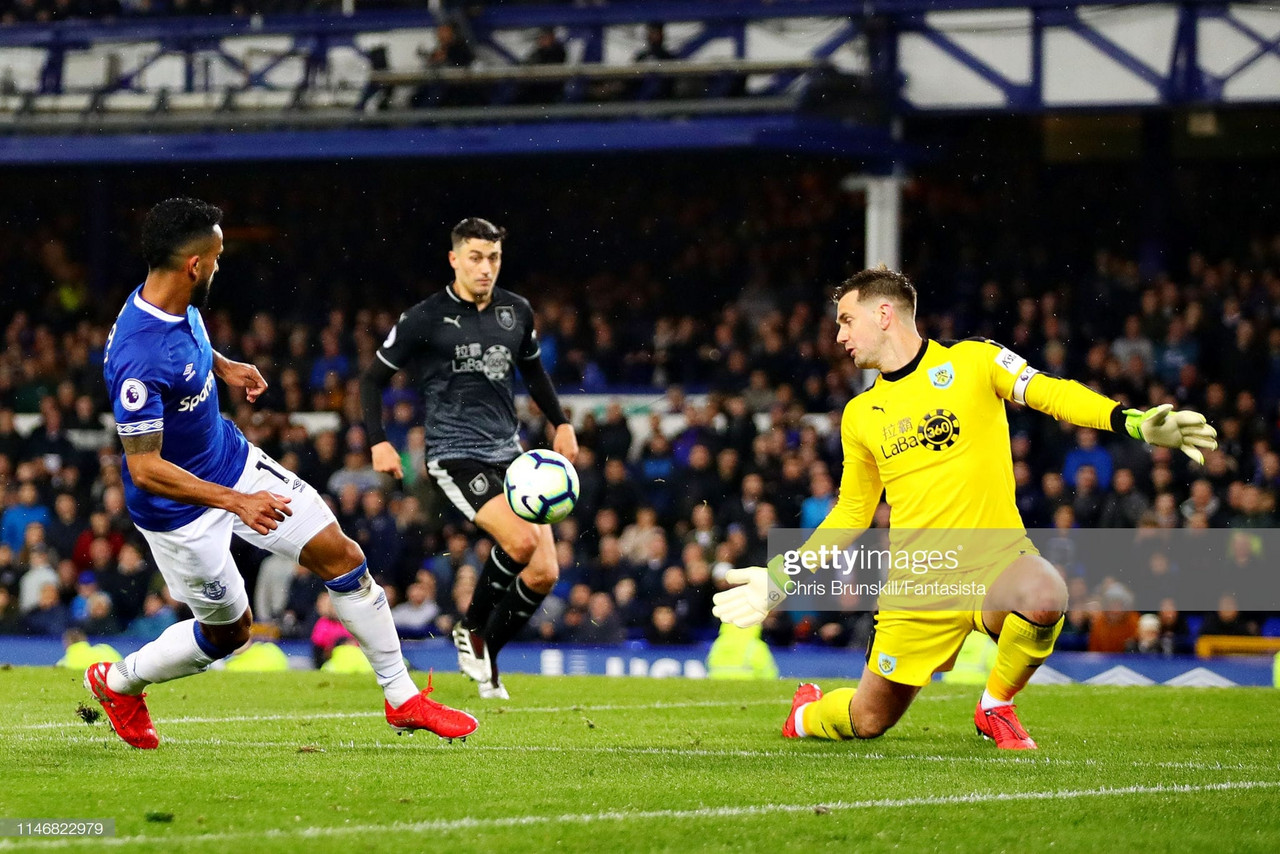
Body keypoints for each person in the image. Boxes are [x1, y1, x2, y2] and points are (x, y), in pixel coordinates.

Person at [713, 267, 1217, 749]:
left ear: (884, 313)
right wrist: (782, 574)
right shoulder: (860, 414)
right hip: (919, 583)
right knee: (867, 720)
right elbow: (851, 513)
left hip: (995, 561)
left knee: (1045, 593)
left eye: (846, 319)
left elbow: (1049, 393)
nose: (839, 335)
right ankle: (805, 713)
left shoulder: (973, 361)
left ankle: (996, 705)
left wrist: (1129, 421)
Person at [85, 198, 476, 750]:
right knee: (229, 634)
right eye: (216, 257)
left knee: (342, 557)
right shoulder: (137, 356)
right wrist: (235, 503)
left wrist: (222, 365)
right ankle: (120, 683)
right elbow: (145, 468)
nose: (219, 265)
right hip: (179, 512)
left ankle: (402, 696)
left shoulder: (171, 299)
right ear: (193, 266)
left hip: (232, 461)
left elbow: (187, 337)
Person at [360, 217, 578, 699]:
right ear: (454, 258)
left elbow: (534, 373)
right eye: (476, 257)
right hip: (455, 454)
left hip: (511, 453)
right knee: (519, 545)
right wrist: (378, 440)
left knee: (545, 572)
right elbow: (372, 379)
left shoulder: (516, 311)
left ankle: (486, 653)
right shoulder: (425, 317)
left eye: (494, 258)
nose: (486, 268)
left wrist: (561, 423)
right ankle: (471, 628)